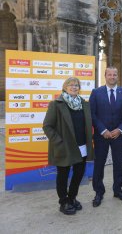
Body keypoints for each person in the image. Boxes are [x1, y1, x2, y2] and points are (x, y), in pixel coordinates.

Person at [43, 77, 94, 215]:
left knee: (78, 174)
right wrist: (59, 141)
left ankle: (72, 198)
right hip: (64, 147)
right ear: (65, 87)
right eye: (71, 85)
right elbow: (47, 126)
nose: (74, 87)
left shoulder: (83, 103)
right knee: (63, 176)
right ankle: (64, 202)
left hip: (82, 146)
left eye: (77, 85)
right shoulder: (57, 104)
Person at [89, 67, 122, 207]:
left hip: (118, 135)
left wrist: (119, 129)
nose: (112, 76)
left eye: (115, 74)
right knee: (99, 165)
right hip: (102, 136)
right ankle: (99, 193)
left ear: (117, 76)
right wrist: (103, 130)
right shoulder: (96, 92)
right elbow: (92, 114)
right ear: (105, 76)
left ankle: (118, 190)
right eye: (109, 74)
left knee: (119, 164)